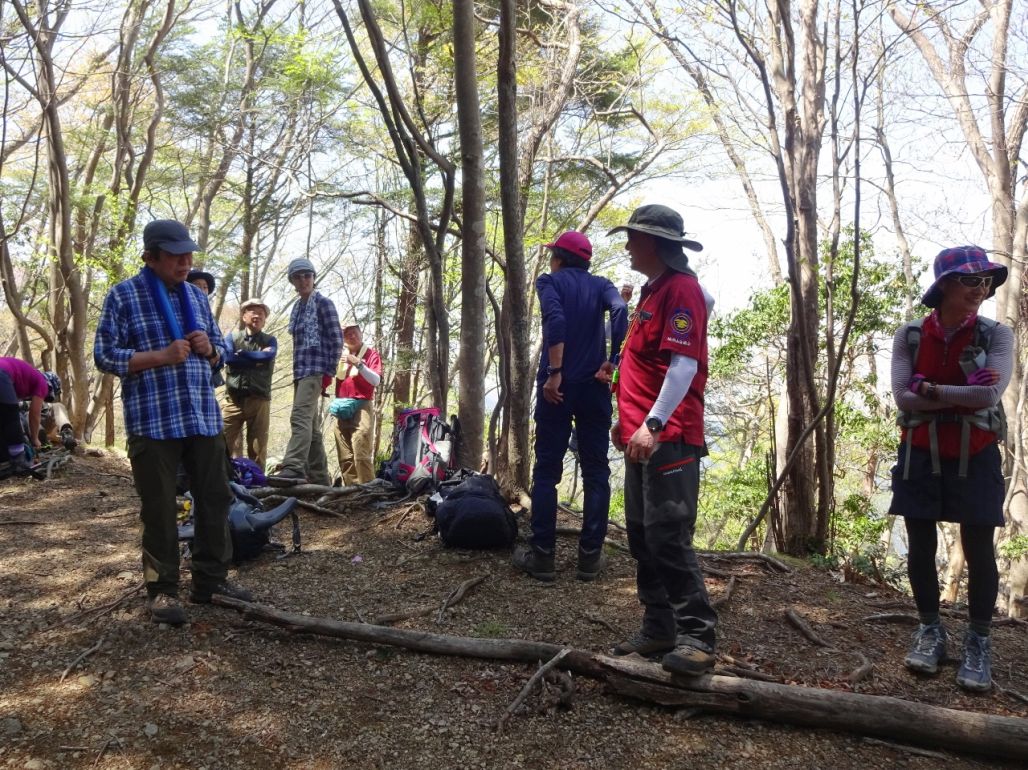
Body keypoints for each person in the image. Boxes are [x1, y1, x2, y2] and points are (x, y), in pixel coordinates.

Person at [94, 219, 253, 626]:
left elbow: (220, 351)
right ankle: (163, 591)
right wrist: (159, 356)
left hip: (202, 415)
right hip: (153, 419)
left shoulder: (196, 298)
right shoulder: (123, 296)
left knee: (216, 497)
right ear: (151, 256)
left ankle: (211, 582)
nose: (186, 261)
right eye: (176, 254)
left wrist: (211, 350)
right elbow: (105, 355)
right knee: (160, 507)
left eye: (189, 253)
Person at [890, 245, 1011, 693]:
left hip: (976, 452)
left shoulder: (997, 336)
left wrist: (931, 388)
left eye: (986, 282)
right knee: (919, 542)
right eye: (970, 281)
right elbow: (903, 397)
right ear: (944, 286)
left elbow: (987, 397)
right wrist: (956, 391)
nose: (981, 289)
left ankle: (978, 641)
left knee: (980, 547)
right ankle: (930, 629)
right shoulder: (911, 335)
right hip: (919, 450)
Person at [606, 204, 718, 678]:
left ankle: (697, 636)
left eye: (633, 237)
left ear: (653, 242)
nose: (628, 245)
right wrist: (627, 419)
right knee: (641, 534)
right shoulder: (657, 291)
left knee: (669, 536)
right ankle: (659, 626)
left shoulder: (681, 290)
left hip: (668, 436)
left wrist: (652, 425)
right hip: (640, 433)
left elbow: (683, 366)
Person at [512, 231, 627, 582]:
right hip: (595, 386)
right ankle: (590, 557)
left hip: (556, 389)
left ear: (558, 258)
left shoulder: (549, 282)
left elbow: (556, 321)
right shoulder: (601, 284)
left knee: (547, 470)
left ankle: (543, 556)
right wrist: (612, 360)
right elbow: (621, 309)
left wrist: (556, 373)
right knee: (596, 470)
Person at [270, 258, 343, 484]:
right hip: (300, 372)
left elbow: (336, 339)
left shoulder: (324, 304)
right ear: (292, 281)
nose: (303, 280)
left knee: (299, 417)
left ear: (313, 277)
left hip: (316, 370)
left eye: (307, 275)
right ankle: (321, 479)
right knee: (311, 426)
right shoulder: (298, 309)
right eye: (298, 277)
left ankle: (293, 467)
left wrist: (329, 372)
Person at [222, 298, 277, 470]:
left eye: (261, 314)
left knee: (258, 448)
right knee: (222, 443)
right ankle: (219, 482)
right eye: (253, 312)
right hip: (232, 400)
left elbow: (267, 356)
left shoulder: (270, 341)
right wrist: (255, 358)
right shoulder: (232, 337)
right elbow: (229, 358)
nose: (257, 316)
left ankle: (257, 486)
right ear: (244, 316)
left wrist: (243, 355)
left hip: (259, 401)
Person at [332, 320, 382, 485]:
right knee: (345, 455)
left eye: (354, 332)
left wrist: (359, 364)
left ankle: (368, 489)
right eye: (347, 333)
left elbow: (375, 380)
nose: (351, 336)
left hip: (362, 406)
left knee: (360, 449)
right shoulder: (339, 356)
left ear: (361, 333)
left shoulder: (371, 354)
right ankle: (351, 491)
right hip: (341, 407)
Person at [0, 360, 60, 474]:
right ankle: (19, 460)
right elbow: (34, 413)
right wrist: (35, 439)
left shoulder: (26, 381)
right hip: (2, 374)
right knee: (12, 417)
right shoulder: (42, 382)